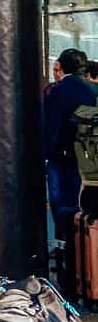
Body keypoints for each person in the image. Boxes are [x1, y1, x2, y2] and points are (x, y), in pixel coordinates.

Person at [44, 48, 96, 241]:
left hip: (61, 155)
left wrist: (47, 152)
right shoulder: (91, 90)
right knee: (78, 200)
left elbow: (52, 125)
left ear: (62, 66)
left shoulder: (58, 91)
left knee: (59, 202)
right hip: (85, 155)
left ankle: (62, 242)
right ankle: (78, 246)